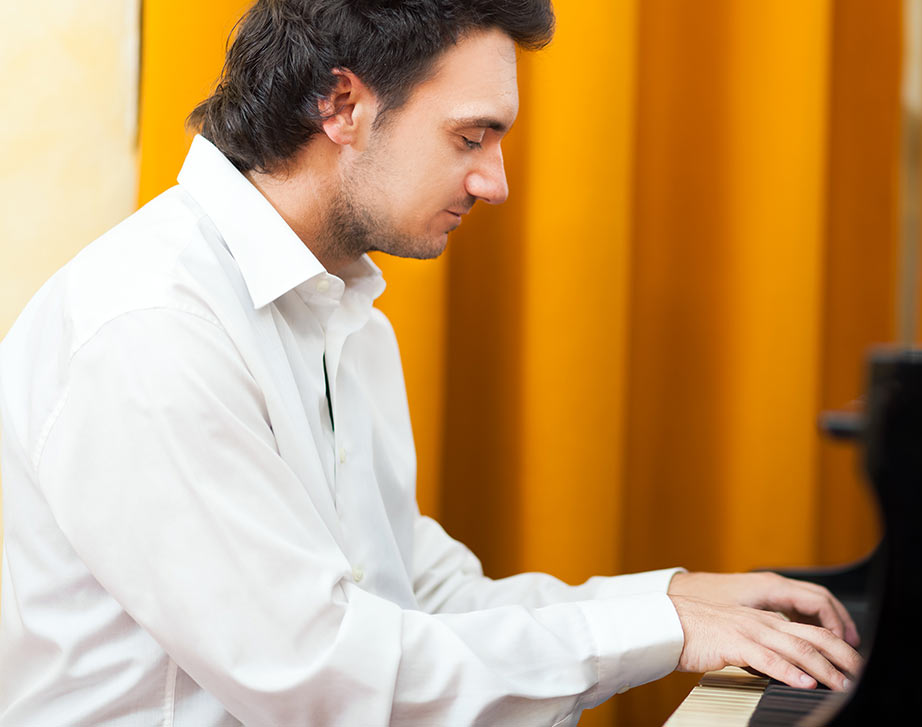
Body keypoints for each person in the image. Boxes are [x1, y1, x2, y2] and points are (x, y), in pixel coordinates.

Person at [0, 1, 863, 724]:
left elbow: (421, 598)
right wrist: (659, 631)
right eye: (471, 137)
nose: (495, 182)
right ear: (342, 106)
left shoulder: (339, 308)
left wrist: (673, 598)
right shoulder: (153, 327)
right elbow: (322, 675)